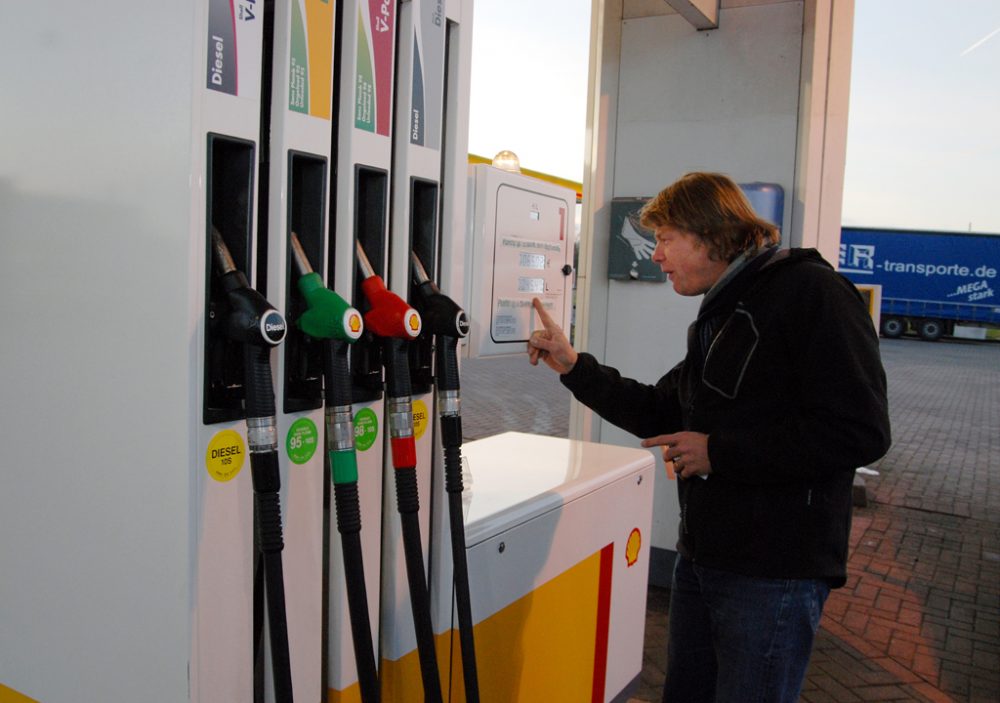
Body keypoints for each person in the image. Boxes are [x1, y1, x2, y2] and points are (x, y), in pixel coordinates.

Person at [527, 172, 890, 703]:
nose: (656, 256)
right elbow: (659, 407)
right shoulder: (721, 316)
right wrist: (573, 365)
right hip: (706, 558)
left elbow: (860, 429)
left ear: (708, 233)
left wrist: (719, 452)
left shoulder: (811, 293)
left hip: (773, 571)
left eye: (666, 239)